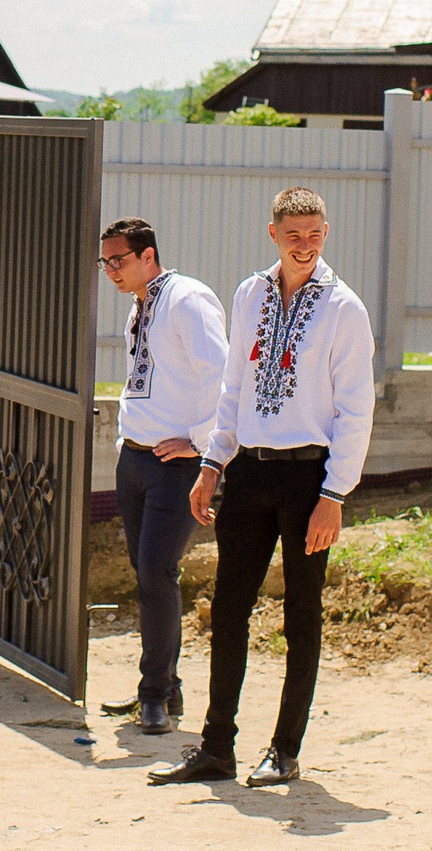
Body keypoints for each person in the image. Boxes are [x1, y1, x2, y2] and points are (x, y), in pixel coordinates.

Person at [150, 186, 375, 790]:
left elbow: (357, 410)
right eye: (292, 235)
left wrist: (336, 494)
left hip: (309, 481)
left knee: (301, 616)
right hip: (248, 472)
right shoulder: (250, 294)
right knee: (228, 609)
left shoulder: (344, 309)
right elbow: (233, 388)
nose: (304, 246)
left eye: (315, 235)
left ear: (325, 233)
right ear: (273, 233)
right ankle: (216, 747)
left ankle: (285, 749)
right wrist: (212, 463)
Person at [97, 216, 228, 735]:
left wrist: (200, 441)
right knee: (146, 573)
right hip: (134, 458)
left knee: (156, 571)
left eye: (118, 260)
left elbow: (221, 374)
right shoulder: (141, 305)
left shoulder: (188, 299)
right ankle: (166, 688)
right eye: (105, 261)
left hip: (176, 465)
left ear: (147, 255)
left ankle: (153, 693)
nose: (110, 270)